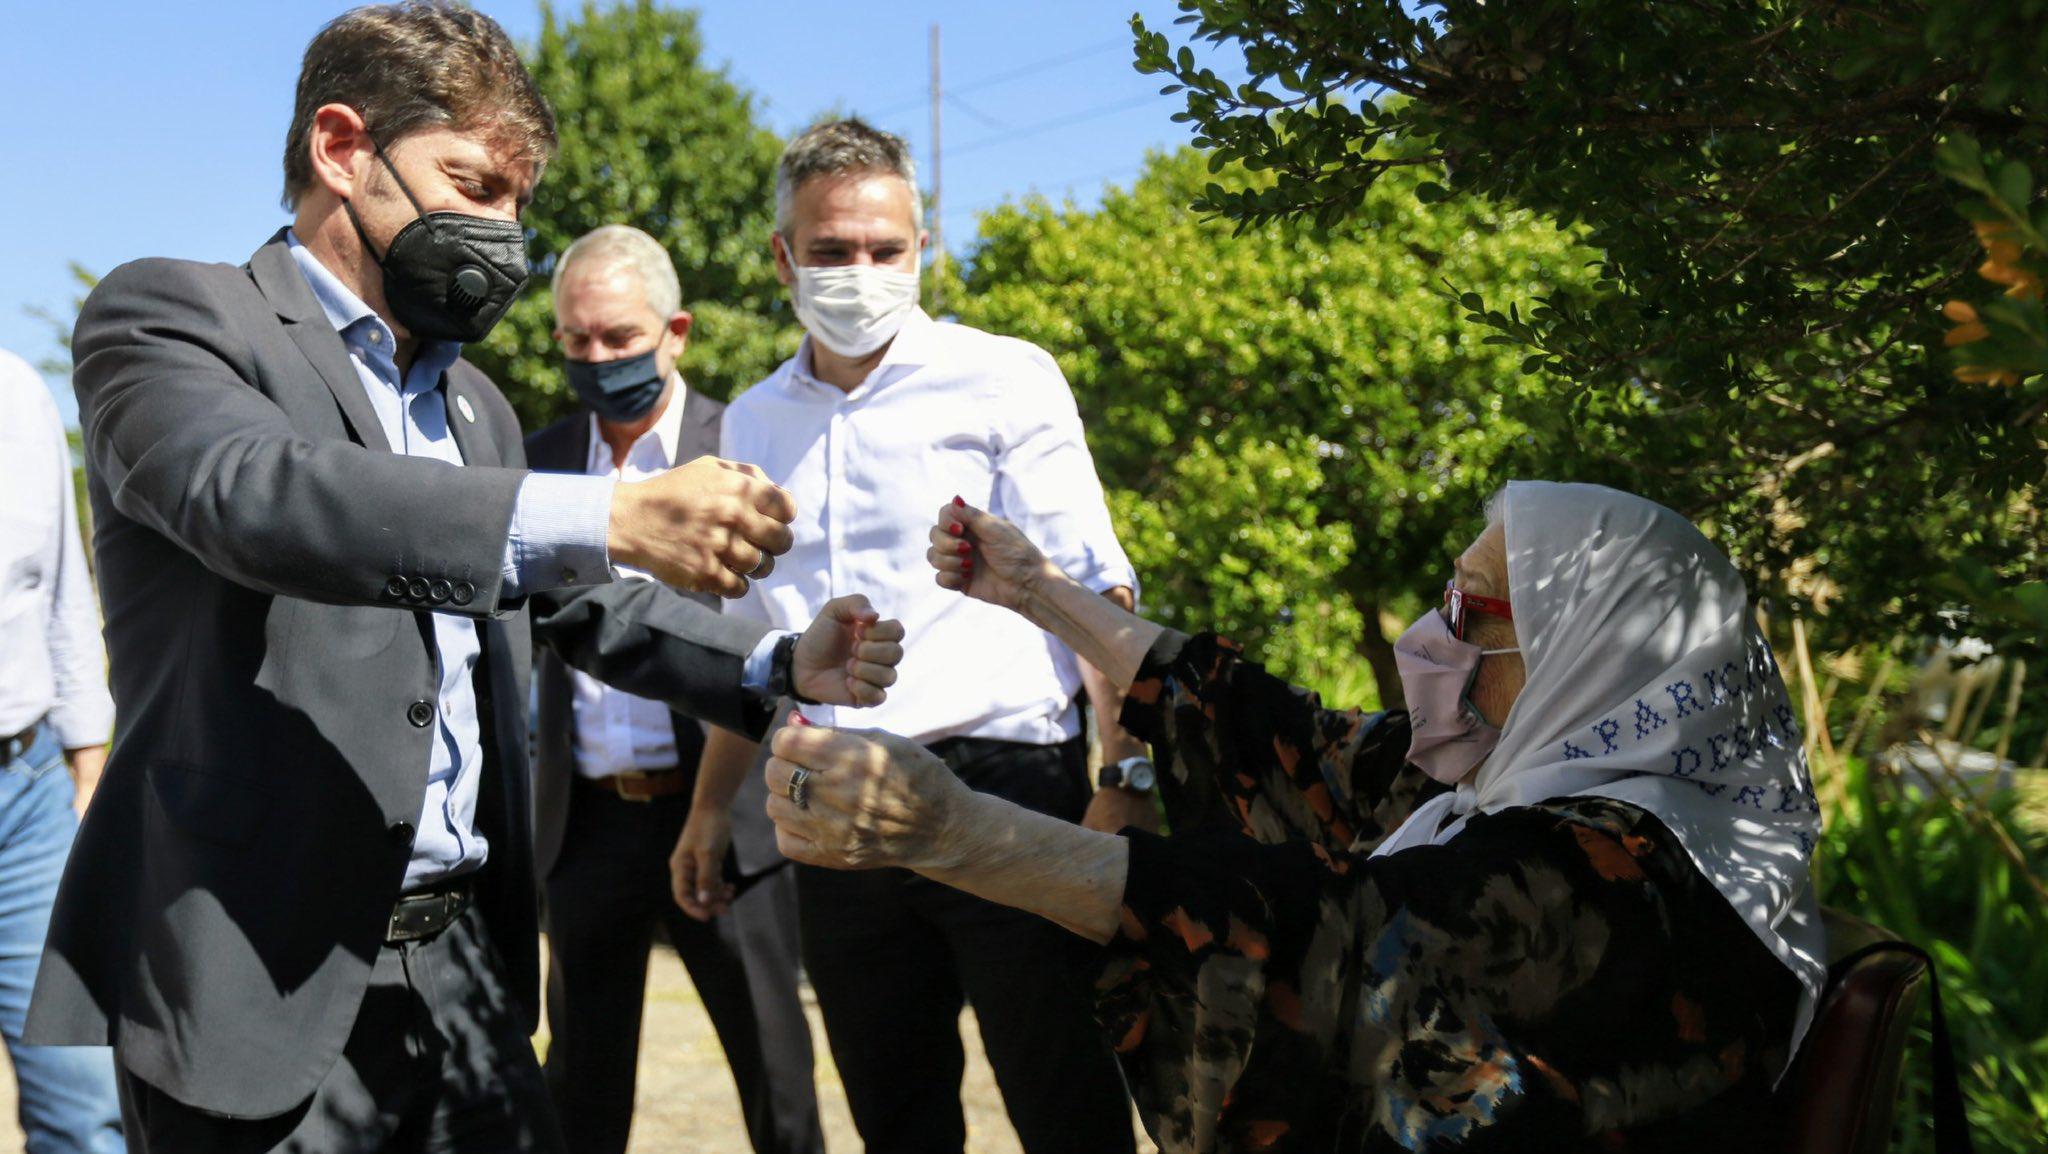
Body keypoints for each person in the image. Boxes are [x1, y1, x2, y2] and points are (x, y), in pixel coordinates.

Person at [24, 7, 902, 1152]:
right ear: (342, 148)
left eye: (518, 203)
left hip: (468, 979)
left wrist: (776, 662)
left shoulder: (472, 401)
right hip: (259, 969)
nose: (504, 230)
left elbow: (576, 601)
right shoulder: (174, 318)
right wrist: (615, 509)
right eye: (474, 184)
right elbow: (259, 495)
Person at [763, 481, 1831, 1152]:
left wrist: (958, 832)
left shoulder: (1620, 869)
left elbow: (1328, 935)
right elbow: (1284, 740)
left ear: (1586, 650)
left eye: (1470, 608)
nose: (1428, 632)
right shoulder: (1541, 787)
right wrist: (1040, 591)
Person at [712, 117, 1144, 1152]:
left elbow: (1094, 586)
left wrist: (1124, 771)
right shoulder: (751, 420)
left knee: (1064, 1099)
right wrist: (705, 811)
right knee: (893, 1110)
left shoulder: (1004, 376)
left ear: (920, 250)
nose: (858, 271)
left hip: (1007, 781)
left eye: (882, 249)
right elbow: (746, 639)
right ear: (782, 258)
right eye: (829, 251)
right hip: (839, 802)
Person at [526, 224, 825, 1154]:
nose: (598, 359)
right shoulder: (535, 462)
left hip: (725, 818)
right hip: (583, 828)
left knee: (774, 1075)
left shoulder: (739, 448)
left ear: (676, 332)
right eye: (577, 341)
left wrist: (710, 809)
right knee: (580, 1086)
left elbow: (768, 640)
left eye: (619, 338)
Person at [0, 348, 124, 1154]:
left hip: (29, 787)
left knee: (87, 1103)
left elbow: (59, 586)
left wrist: (87, 752)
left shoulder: (13, 389)